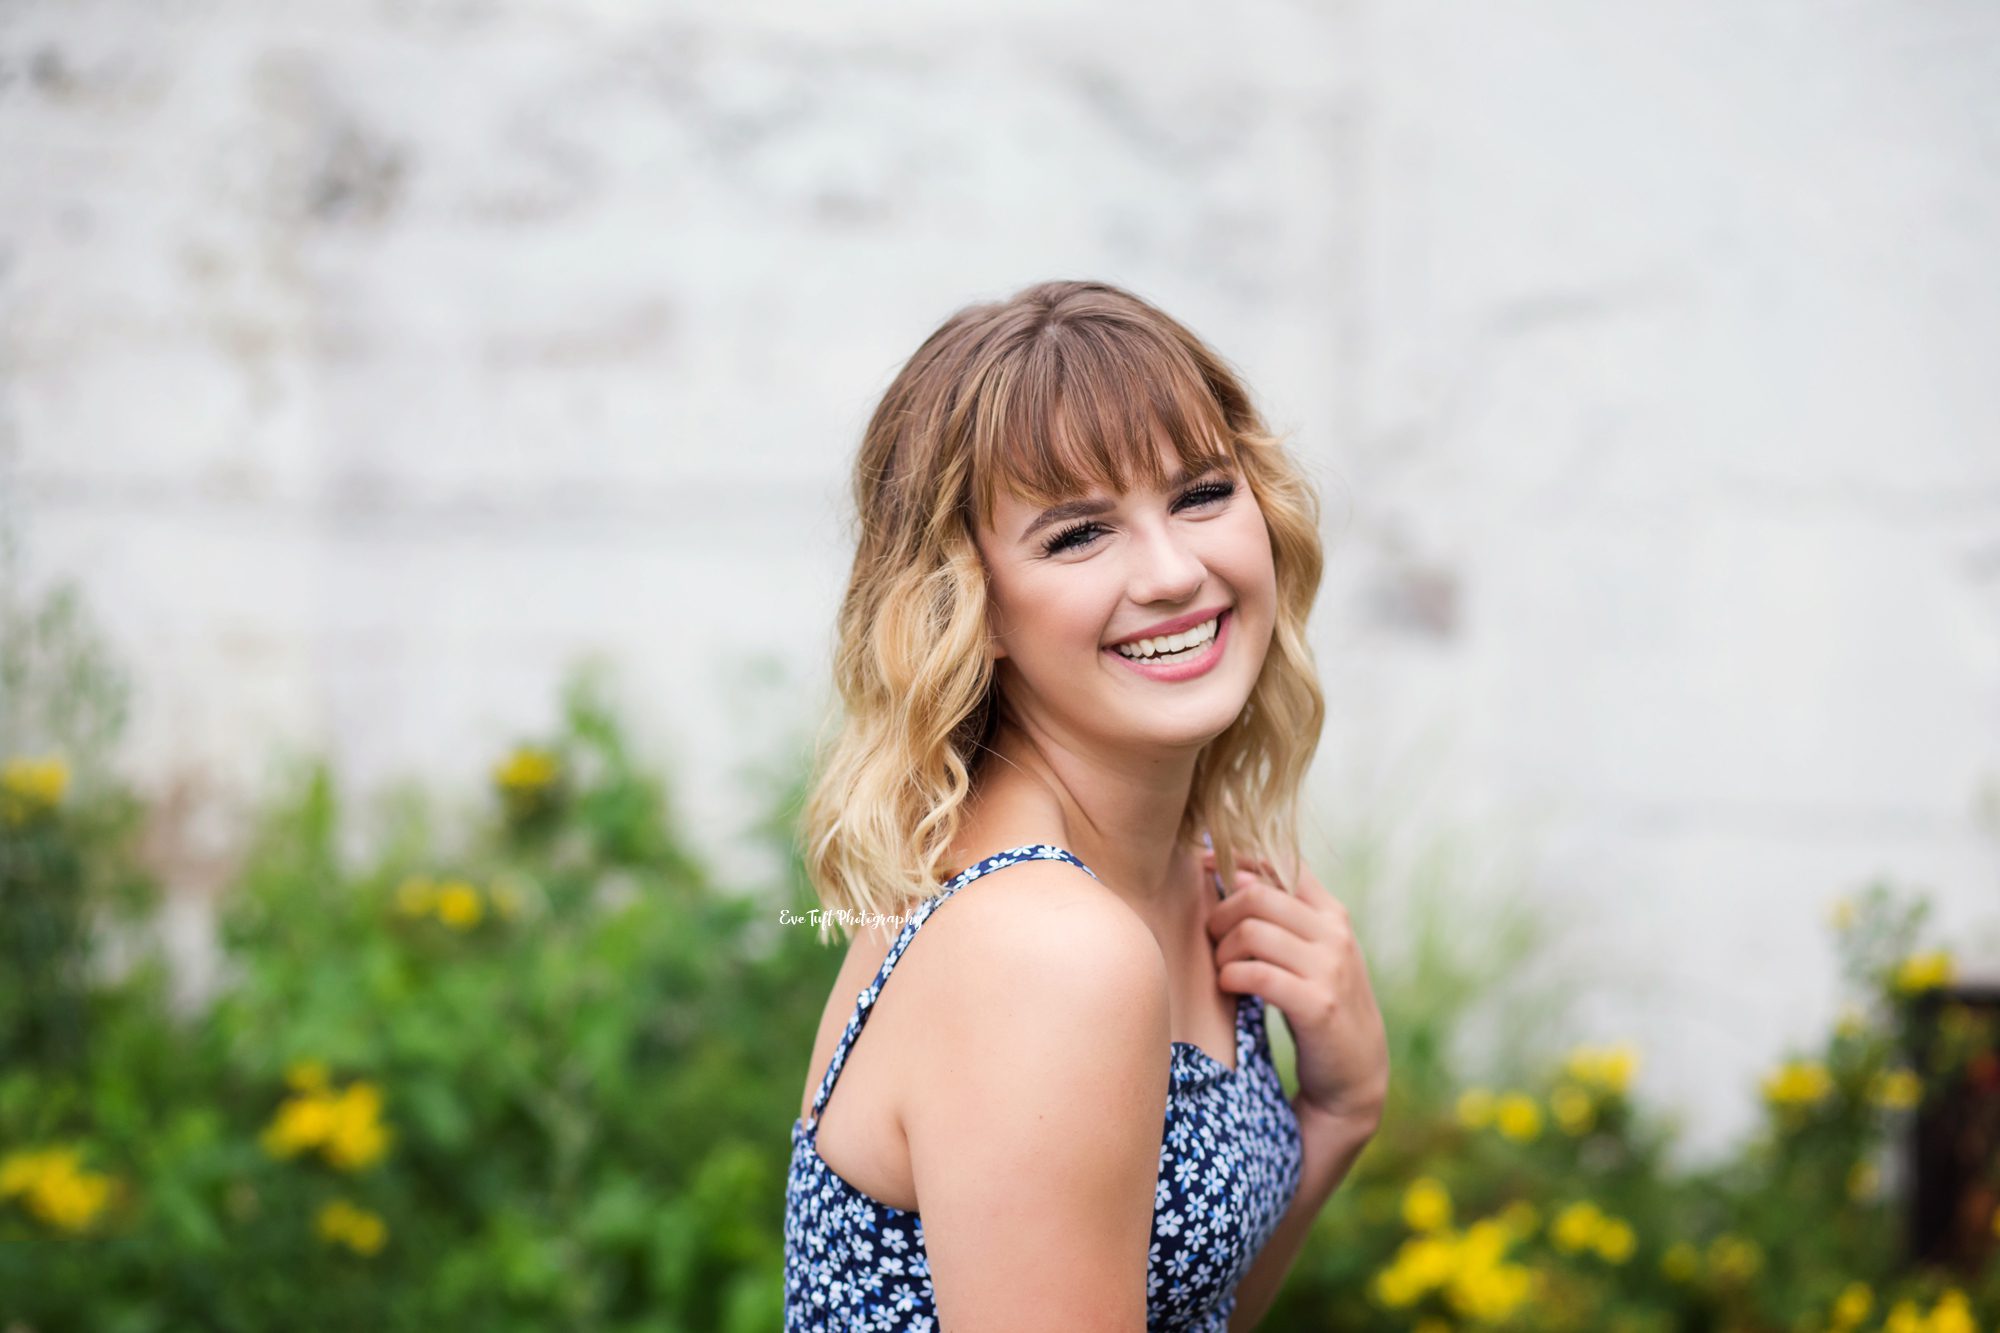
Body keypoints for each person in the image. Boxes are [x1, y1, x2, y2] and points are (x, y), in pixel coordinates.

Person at [783, 279, 1390, 1331]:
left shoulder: (1179, 870)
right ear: (969, 606)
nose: (1170, 571)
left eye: (1201, 493)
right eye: (1077, 535)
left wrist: (1336, 1114)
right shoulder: (1043, 949)